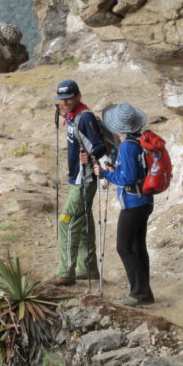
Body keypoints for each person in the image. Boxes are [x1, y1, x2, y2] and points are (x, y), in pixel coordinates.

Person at [95, 102, 155, 306]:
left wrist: (106, 173)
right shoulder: (138, 141)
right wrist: (115, 170)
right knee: (138, 246)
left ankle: (139, 294)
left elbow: (128, 178)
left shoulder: (128, 146)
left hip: (133, 203)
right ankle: (144, 292)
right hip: (144, 200)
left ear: (118, 127)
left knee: (124, 247)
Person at [52, 79, 108, 286]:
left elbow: (99, 148)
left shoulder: (84, 118)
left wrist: (92, 159)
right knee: (83, 221)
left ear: (78, 97)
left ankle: (66, 272)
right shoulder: (73, 117)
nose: (64, 103)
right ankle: (88, 268)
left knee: (66, 221)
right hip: (77, 178)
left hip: (83, 179)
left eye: (68, 98)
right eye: (61, 99)